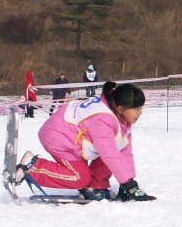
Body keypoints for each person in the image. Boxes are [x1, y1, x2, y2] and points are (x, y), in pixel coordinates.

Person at [14, 81, 156, 202]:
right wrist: (128, 184)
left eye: (141, 108)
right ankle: (32, 167)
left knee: (112, 150)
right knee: (80, 177)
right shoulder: (103, 119)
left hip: (72, 136)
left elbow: (123, 150)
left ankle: (95, 187)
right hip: (58, 137)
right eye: (136, 108)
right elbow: (109, 153)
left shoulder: (122, 120)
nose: (140, 112)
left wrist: (127, 182)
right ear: (120, 108)